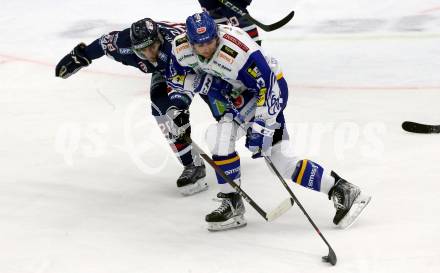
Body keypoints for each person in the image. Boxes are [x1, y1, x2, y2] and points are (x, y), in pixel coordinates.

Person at [166, 12, 371, 231]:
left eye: (210, 41)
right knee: (219, 137)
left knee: (282, 163)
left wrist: (261, 127)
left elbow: (269, 86)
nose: (206, 48)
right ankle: (231, 202)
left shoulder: (238, 50)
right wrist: (178, 107)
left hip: (267, 92)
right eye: (200, 44)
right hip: (234, 95)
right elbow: (176, 77)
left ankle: (342, 190)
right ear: (190, 42)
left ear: (217, 34)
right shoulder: (181, 49)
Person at [54, 18, 208, 196]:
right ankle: (192, 164)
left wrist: (180, 110)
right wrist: (82, 55)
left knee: (220, 108)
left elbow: (186, 82)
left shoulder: (175, 47)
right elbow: (104, 43)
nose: (150, 53)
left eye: (153, 46)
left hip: (194, 64)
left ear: (160, 39)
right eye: (143, 50)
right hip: (166, 70)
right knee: (162, 110)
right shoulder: (123, 44)